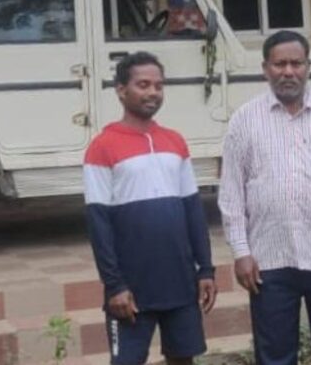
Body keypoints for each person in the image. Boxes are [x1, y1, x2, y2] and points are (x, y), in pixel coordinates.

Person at [219, 30, 311, 365]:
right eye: (279, 64)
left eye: (296, 63)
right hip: (268, 261)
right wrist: (241, 251)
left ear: (308, 67)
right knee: (275, 357)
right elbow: (231, 195)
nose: (288, 71)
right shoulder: (244, 120)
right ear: (265, 69)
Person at [83, 51, 217, 365]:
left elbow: (193, 212)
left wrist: (206, 269)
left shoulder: (175, 142)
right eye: (143, 85)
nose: (153, 92)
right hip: (131, 288)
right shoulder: (102, 147)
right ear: (121, 90)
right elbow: (98, 224)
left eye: (159, 85)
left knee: (183, 358)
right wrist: (114, 285)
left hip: (180, 282)